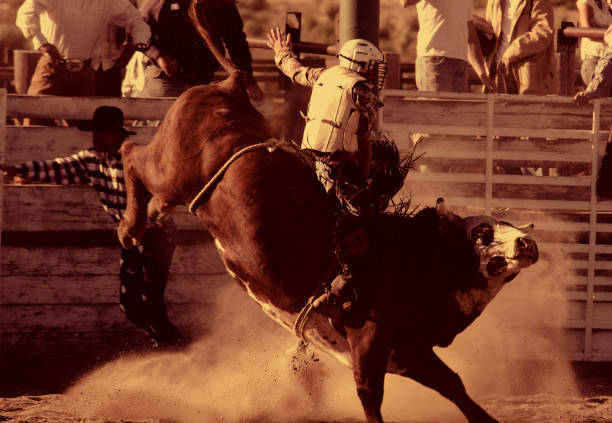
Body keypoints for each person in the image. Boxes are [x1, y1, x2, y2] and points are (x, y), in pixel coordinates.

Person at [2, 106, 182, 348]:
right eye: (96, 132)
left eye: (104, 132)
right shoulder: (90, 159)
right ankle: (168, 341)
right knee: (130, 304)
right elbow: (57, 168)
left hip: (156, 234)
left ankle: (168, 344)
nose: (98, 138)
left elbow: (166, 189)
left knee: (149, 298)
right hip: (130, 235)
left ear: (118, 133)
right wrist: (18, 170)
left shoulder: (140, 157)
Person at [267, 28, 390, 314]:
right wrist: (367, 178)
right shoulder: (364, 91)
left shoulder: (324, 75)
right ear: (362, 65)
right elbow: (365, 141)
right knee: (367, 226)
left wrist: (281, 52)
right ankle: (350, 283)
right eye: (371, 67)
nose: (374, 73)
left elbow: (295, 72)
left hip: (308, 160)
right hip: (339, 167)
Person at [15, 0, 151, 101]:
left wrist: (138, 41)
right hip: (52, 68)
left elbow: (135, 20)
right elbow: (25, 13)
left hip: (85, 72)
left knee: (84, 127)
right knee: (35, 116)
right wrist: (43, 43)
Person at [136, 0, 262, 100]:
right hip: (166, 80)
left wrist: (248, 79)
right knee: (163, 123)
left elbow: (236, 41)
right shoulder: (161, 2)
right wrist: (158, 54)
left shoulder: (222, 4)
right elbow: (137, 29)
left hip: (203, 81)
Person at [400, 0, 495, 93]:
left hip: (461, 65)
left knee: (457, 109)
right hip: (435, 62)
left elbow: (471, 37)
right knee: (436, 108)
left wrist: (482, 74)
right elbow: (405, 2)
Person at [484, 0, 558, 95]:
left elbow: (543, 32)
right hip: (497, 70)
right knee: (496, 109)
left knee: (524, 108)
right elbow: (489, 29)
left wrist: (513, 50)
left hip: (525, 73)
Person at [578, 0, 612, 87]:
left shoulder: (607, 3)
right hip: (593, 59)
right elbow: (588, 30)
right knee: (597, 97)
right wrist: (608, 35)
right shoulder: (585, 2)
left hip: (608, 60)